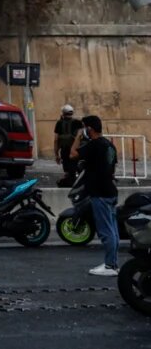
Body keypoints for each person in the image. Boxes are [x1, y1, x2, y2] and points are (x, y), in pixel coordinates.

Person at [71, 115, 120, 276]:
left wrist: (78, 136)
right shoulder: (109, 145)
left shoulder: (94, 145)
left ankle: (110, 266)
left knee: (106, 231)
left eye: (84, 128)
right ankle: (112, 263)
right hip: (110, 191)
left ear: (89, 129)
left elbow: (72, 154)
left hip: (100, 193)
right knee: (113, 230)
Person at [55, 104, 80, 186]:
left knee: (67, 171)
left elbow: (56, 140)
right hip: (75, 151)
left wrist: (56, 154)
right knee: (74, 169)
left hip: (64, 150)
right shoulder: (77, 122)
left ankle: (67, 182)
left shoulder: (59, 123)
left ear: (63, 113)